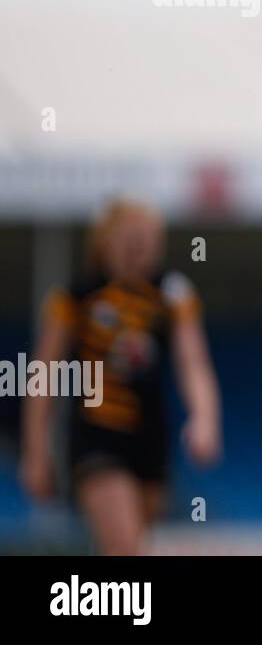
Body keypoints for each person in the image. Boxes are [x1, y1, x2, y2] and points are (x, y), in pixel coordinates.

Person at [20, 197, 222, 555]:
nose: (137, 250)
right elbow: (43, 375)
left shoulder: (172, 295)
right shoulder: (74, 298)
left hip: (150, 440)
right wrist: (36, 450)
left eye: (145, 241)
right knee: (126, 547)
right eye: (129, 240)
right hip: (96, 439)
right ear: (104, 242)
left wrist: (205, 418)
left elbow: (193, 363)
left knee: (126, 546)